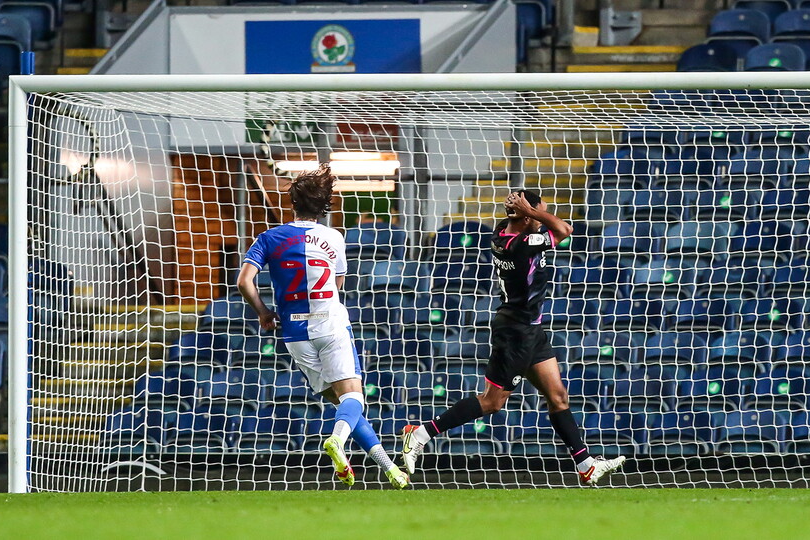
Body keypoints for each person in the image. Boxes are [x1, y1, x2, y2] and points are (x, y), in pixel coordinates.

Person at [401, 190, 626, 485]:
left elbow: (540, 226)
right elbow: (565, 230)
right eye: (538, 212)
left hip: (530, 330)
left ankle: (586, 465)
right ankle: (421, 433)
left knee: (558, 397)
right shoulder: (523, 245)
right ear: (525, 215)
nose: (542, 220)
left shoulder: (502, 235)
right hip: (516, 333)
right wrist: (530, 212)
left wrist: (526, 212)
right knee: (493, 402)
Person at [237, 164, 409, 489]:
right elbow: (339, 282)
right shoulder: (334, 237)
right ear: (324, 205)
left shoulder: (269, 238)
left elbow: (244, 281)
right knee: (354, 400)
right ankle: (336, 442)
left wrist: (263, 312)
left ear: (292, 203)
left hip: (294, 334)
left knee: (344, 404)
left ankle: (390, 469)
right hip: (329, 325)